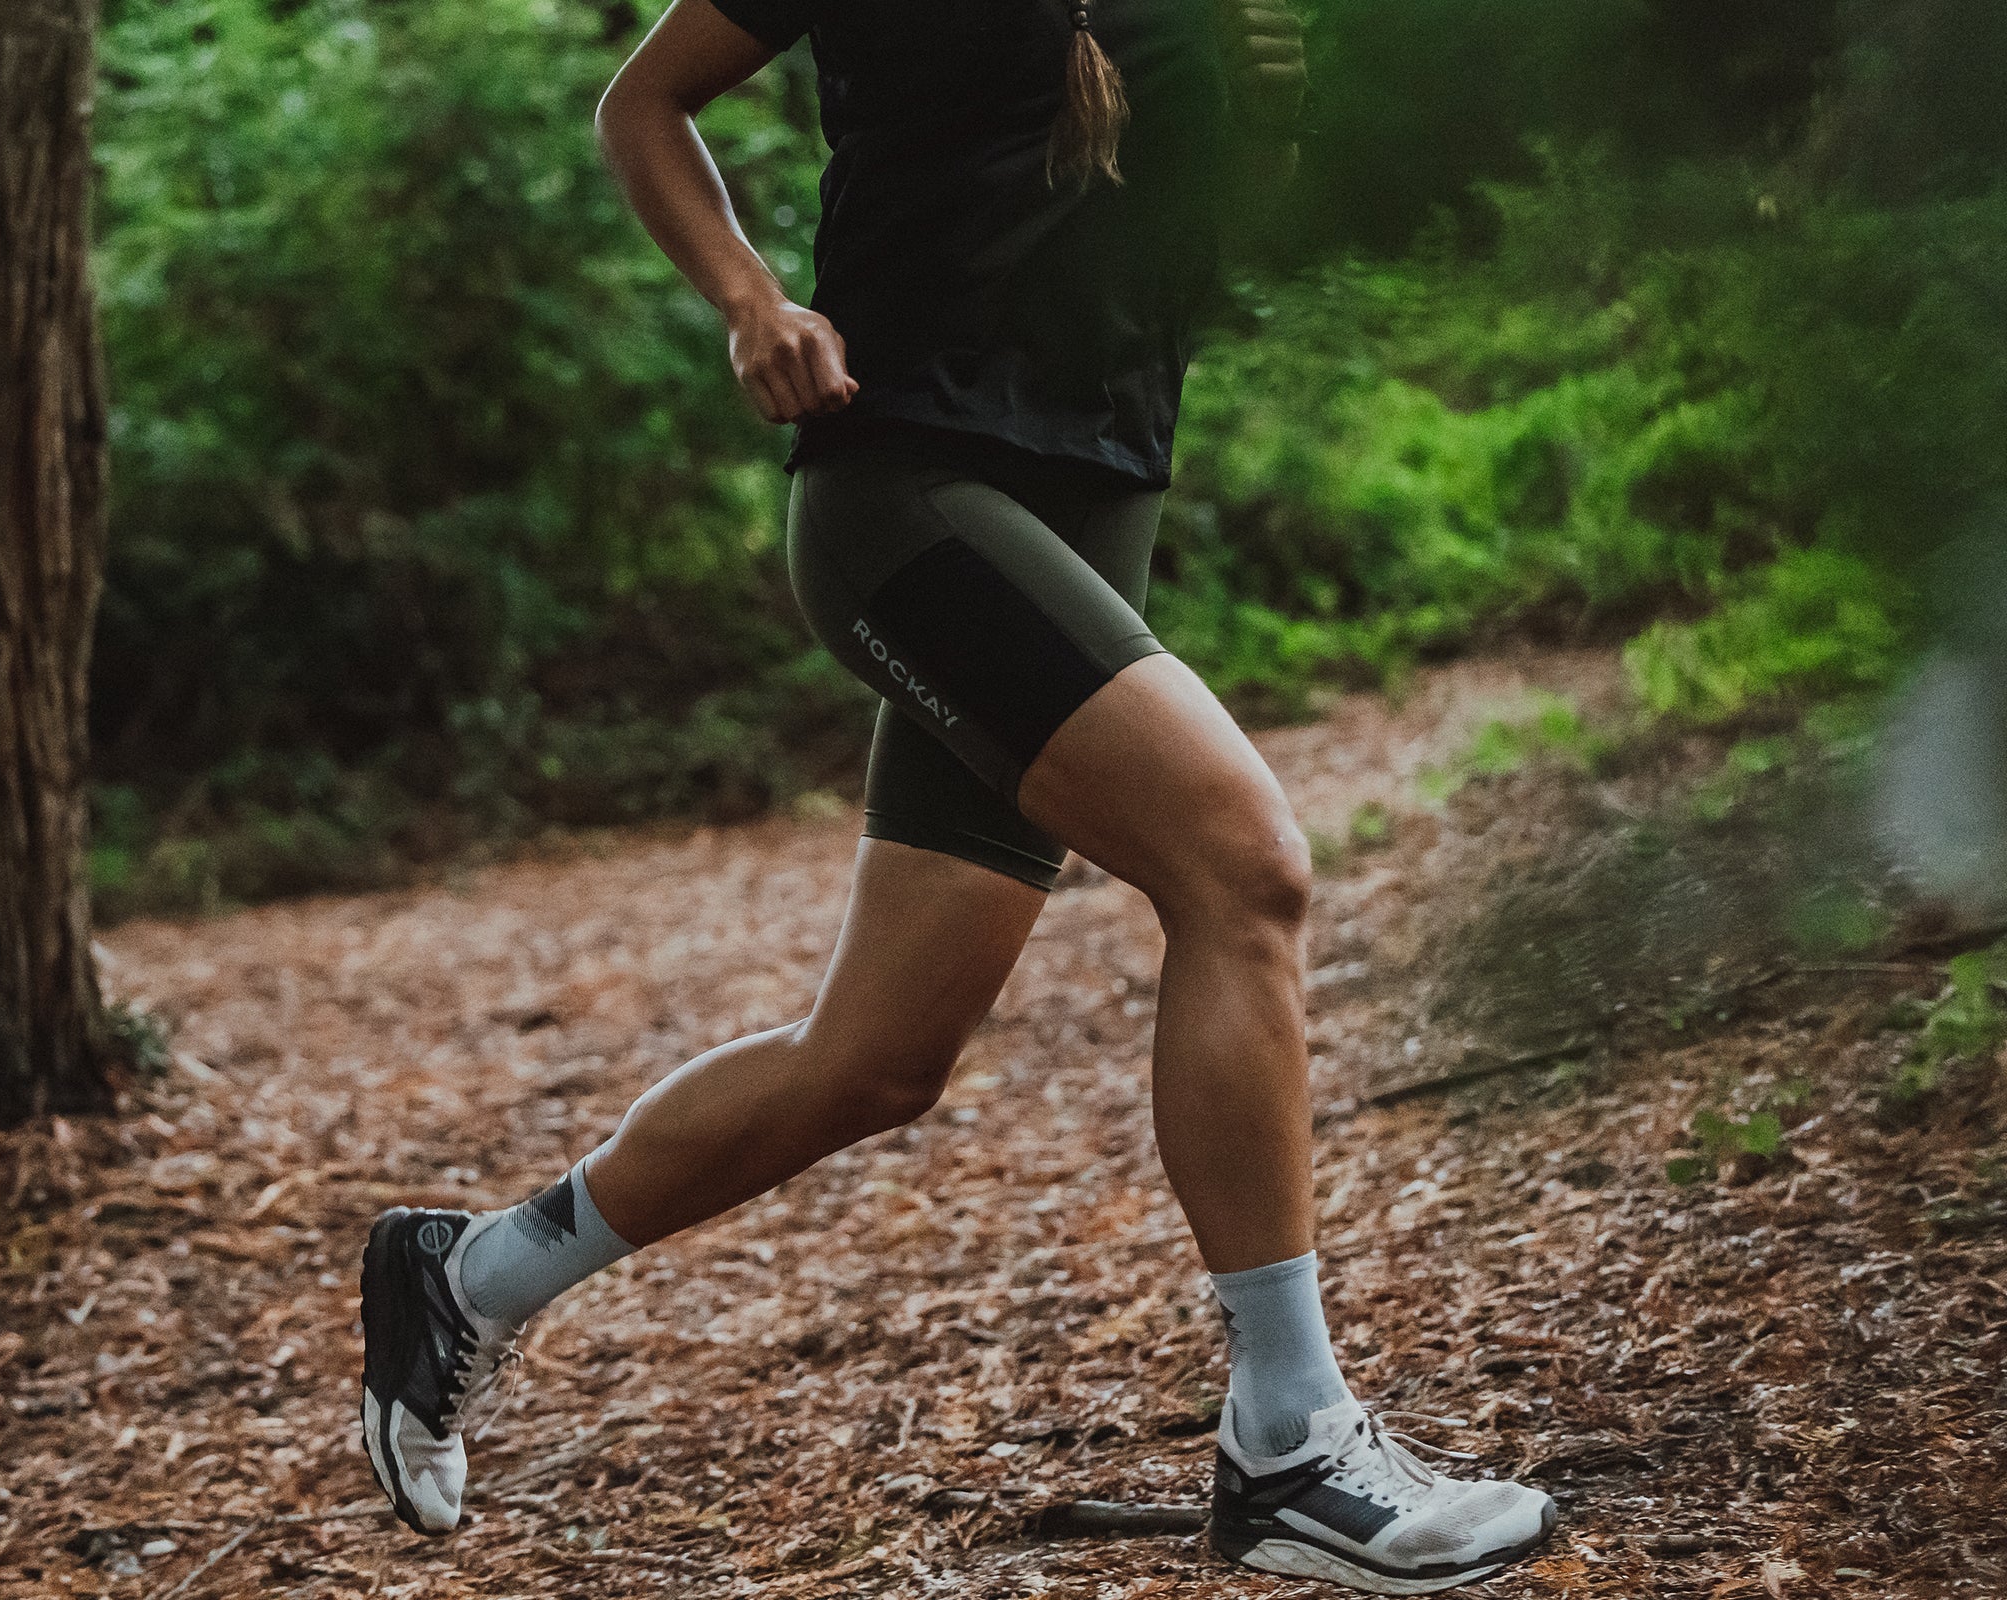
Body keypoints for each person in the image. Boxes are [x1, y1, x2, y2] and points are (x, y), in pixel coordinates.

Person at [358, 0, 1559, 1590]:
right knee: (1243, 870)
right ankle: (1289, 1441)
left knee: (873, 1059)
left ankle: (470, 1278)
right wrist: (750, 299)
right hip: (907, 482)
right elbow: (641, 105)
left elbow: (1196, 227)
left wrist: (1272, 113)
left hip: (1094, 490)